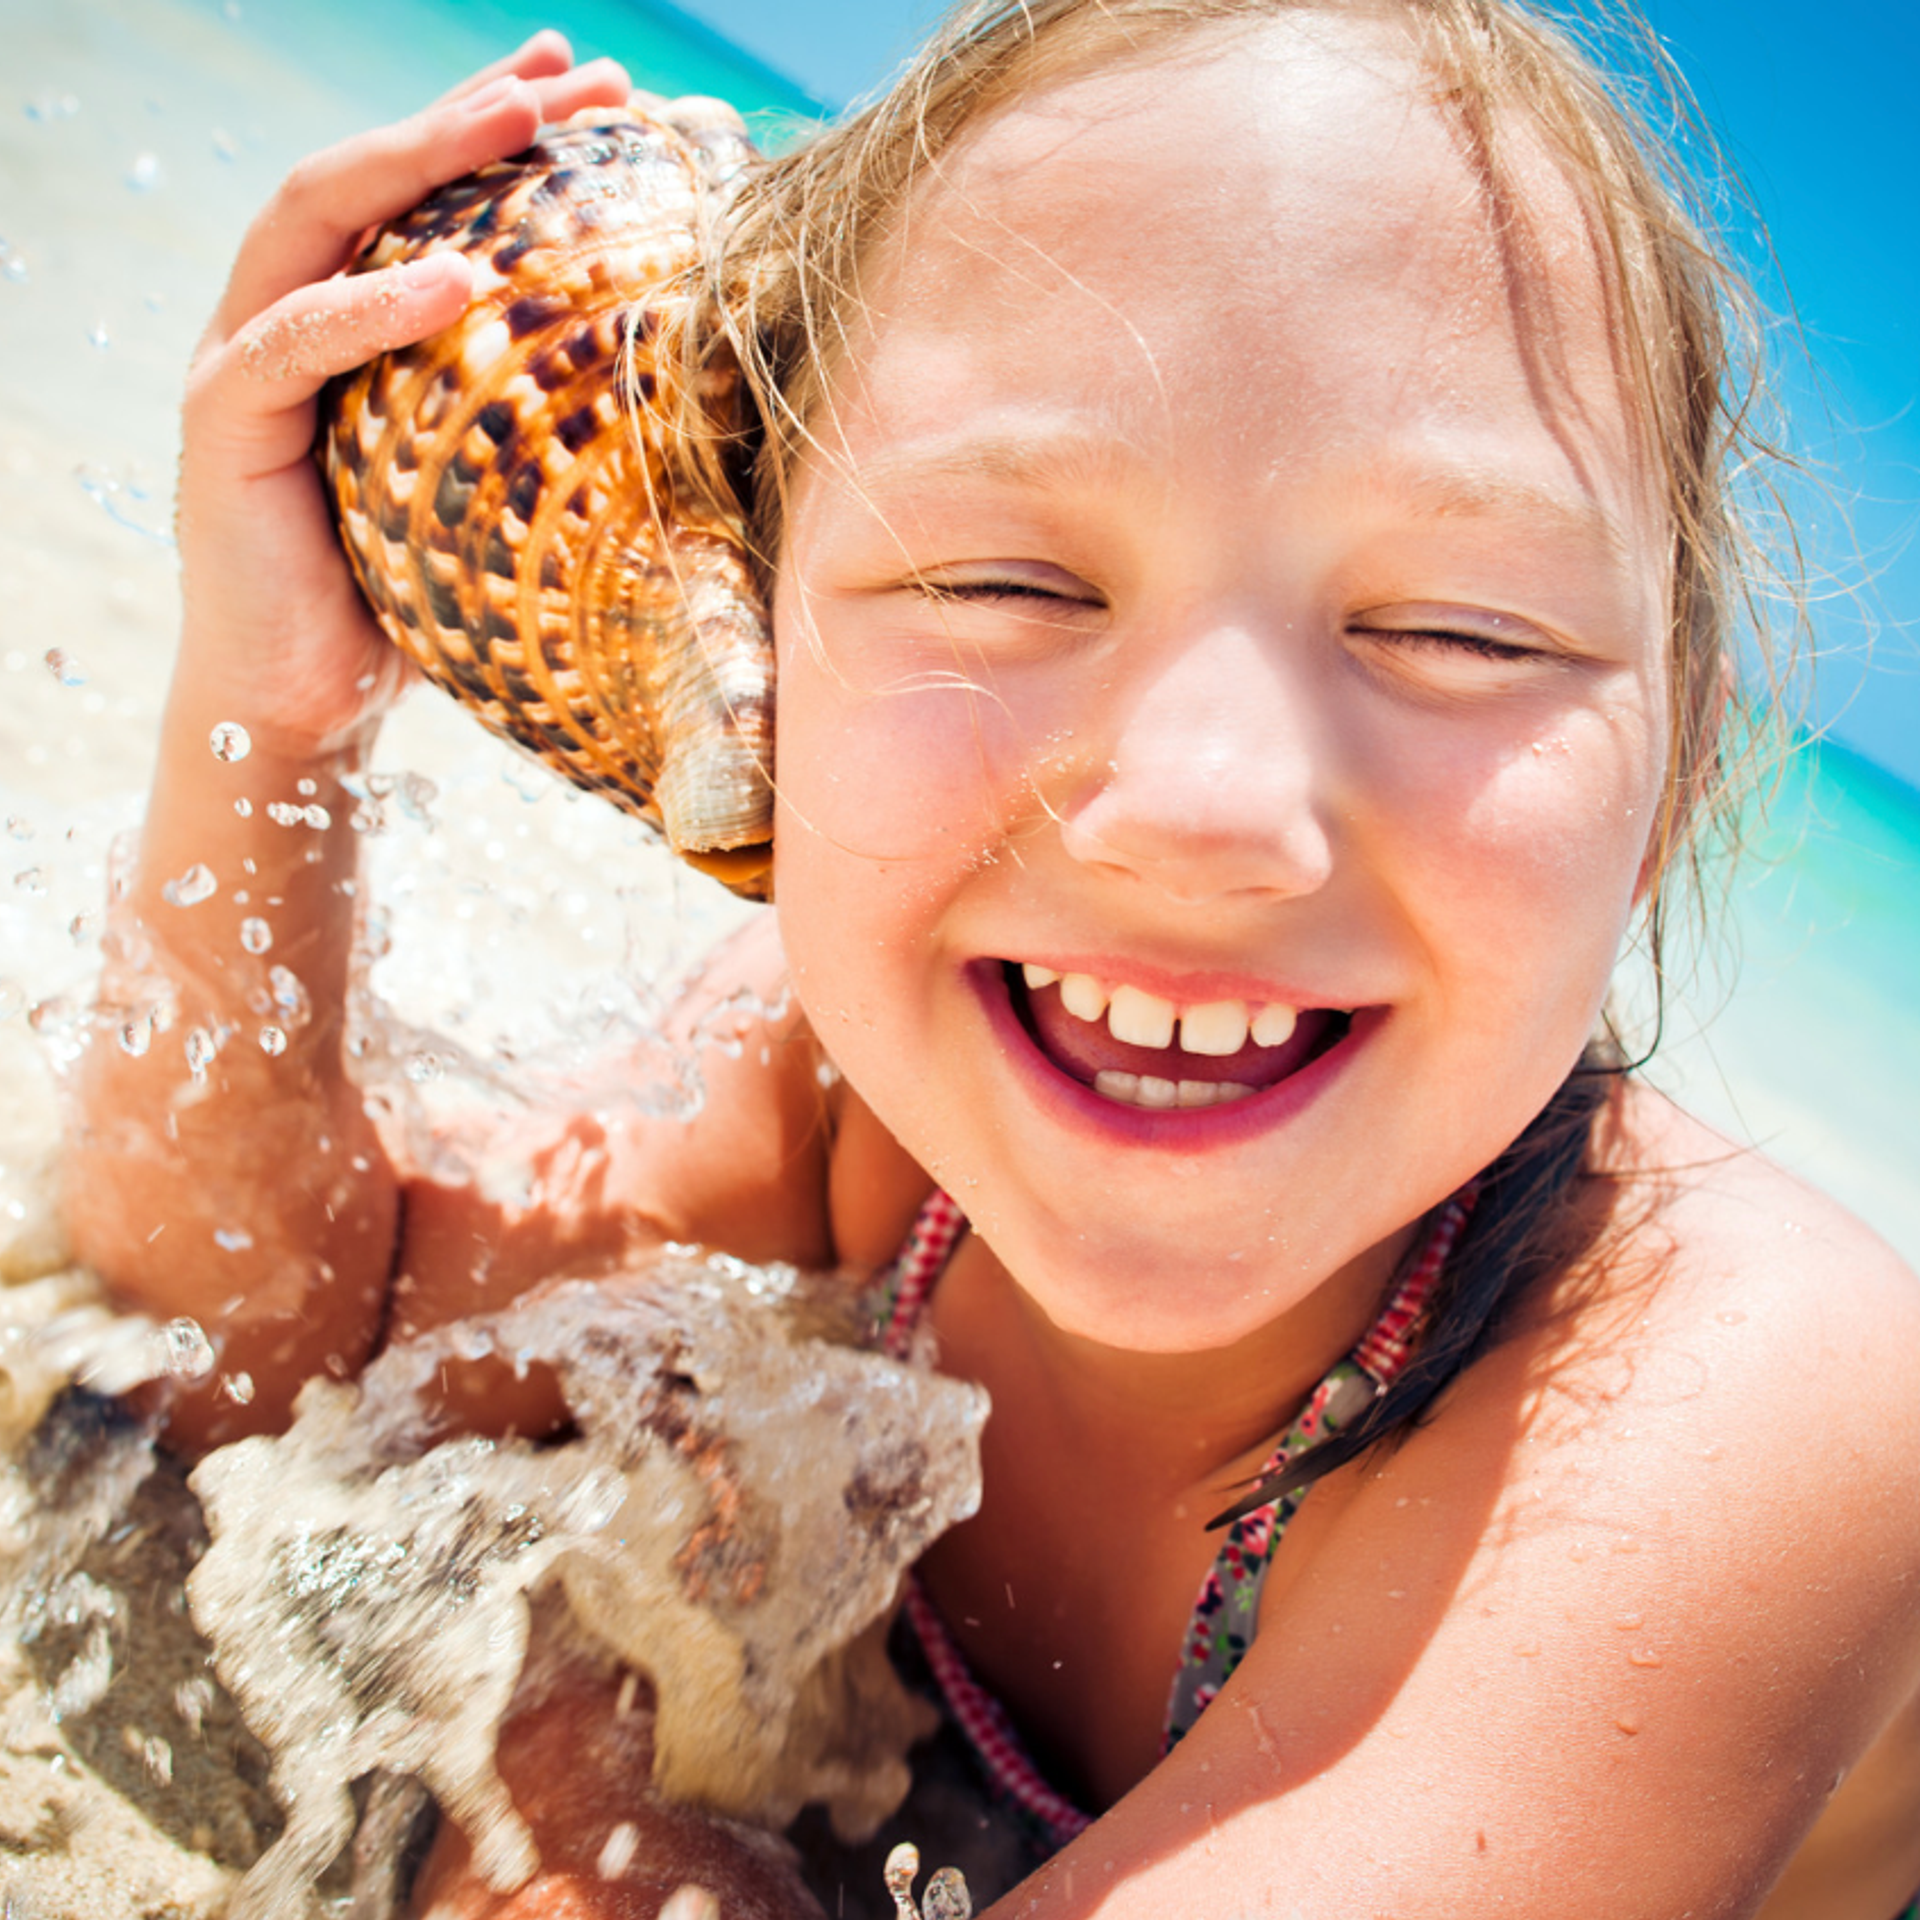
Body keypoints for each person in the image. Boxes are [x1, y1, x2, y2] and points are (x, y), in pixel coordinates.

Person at [62, 3, 1920, 1916]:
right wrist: (271, 712)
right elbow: (259, 1370)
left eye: (1458, 628)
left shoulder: (1735, 1413)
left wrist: (563, 1775)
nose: (1204, 806)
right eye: (1007, 581)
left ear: (1680, 776)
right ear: (768, 652)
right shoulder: (856, 1110)